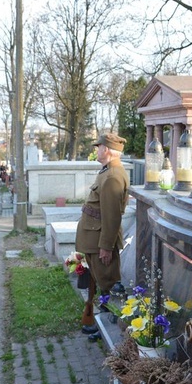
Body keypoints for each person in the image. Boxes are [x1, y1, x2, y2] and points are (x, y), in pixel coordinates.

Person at [74, 133, 129, 339]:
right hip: (94, 238)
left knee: (108, 284)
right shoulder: (107, 172)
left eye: (98, 147)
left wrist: (105, 246)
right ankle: (104, 325)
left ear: (106, 149)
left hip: (100, 241)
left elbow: (112, 216)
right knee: (102, 283)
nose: (96, 150)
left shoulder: (113, 176)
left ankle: (111, 329)